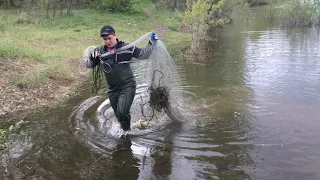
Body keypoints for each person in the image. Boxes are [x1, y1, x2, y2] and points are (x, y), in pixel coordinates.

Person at [85, 25, 158, 131]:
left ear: (115, 36)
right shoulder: (100, 52)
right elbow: (89, 65)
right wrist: (90, 59)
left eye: (109, 38)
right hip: (113, 89)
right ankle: (129, 129)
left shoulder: (127, 48)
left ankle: (127, 132)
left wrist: (152, 43)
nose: (107, 41)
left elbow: (143, 55)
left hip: (127, 86)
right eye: (105, 39)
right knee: (119, 116)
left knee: (122, 112)